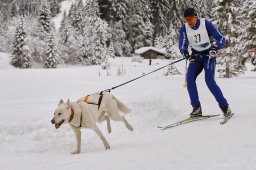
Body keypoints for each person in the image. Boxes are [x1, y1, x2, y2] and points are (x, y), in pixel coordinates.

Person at [178, 8, 232, 118]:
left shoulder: (205, 24)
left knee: (209, 81)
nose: (189, 22)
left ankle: (225, 107)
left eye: (191, 19)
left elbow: (220, 38)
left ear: (196, 17)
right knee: (189, 79)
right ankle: (196, 108)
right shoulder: (184, 29)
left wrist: (215, 47)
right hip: (196, 57)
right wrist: (184, 51)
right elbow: (183, 42)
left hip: (209, 55)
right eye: (186, 19)